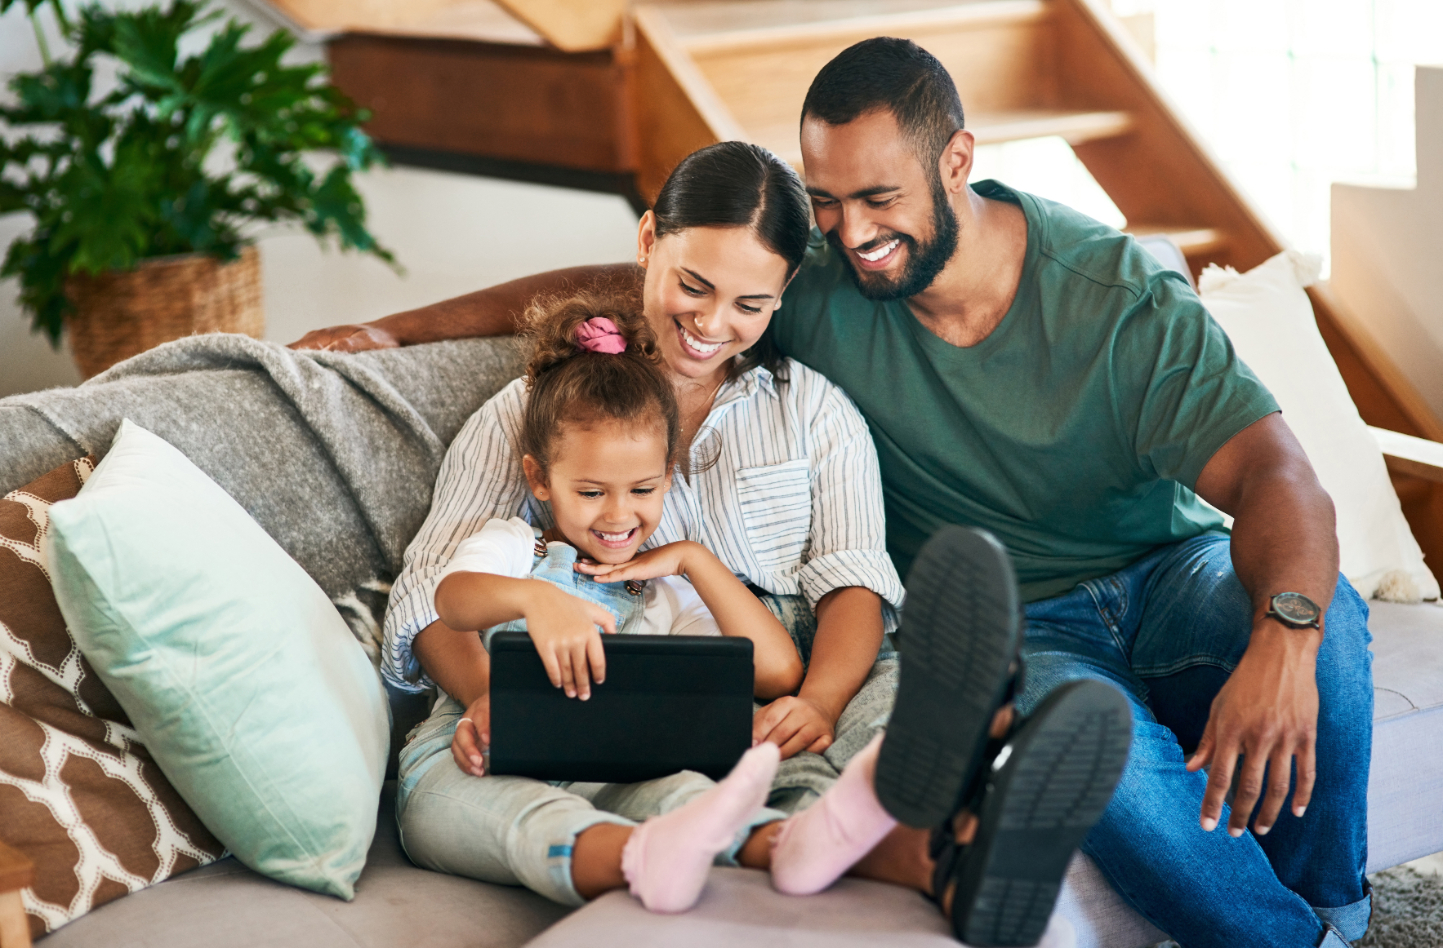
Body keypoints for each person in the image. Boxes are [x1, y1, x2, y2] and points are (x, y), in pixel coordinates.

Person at [294, 38, 1375, 948]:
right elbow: (634, 294)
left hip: (1159, 570)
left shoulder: (1095, 301)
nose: (854, 235)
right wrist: (394, 332)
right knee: (1061, 723)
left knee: (1323, 627)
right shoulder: (771, 307)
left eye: (878, 199)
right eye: (830, 203)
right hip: (1016, 627)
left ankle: (1334, 909)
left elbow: (1279, 479)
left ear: (959, 161)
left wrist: (1280, 638)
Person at [361, 140, 1124, 945]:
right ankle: (932, 841)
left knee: (879, 706)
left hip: (773, 660)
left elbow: (853, 585)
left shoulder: (814, 410)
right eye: (693, 285)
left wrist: (819, 702)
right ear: (648, 240)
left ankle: (951, 809)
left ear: (785, 292)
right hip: (555, 677)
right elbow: (431, 602)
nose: (711, 325)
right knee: (551, 785)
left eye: (749, 305)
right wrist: (489, 695)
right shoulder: (532, 412)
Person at [406, 289, 803, 913]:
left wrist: (695, 559)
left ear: (668, 475)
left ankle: (794, 845)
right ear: (540, 479)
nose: (620, 515)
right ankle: (632, 861)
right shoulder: (518, 547)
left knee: (682, 796)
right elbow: (451, 599)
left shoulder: (666, 587)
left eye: (643, 488)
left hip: (614, 775)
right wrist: (537, 601)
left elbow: (779, 672)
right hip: (478, 759)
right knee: (516, 816)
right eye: (591, 492)